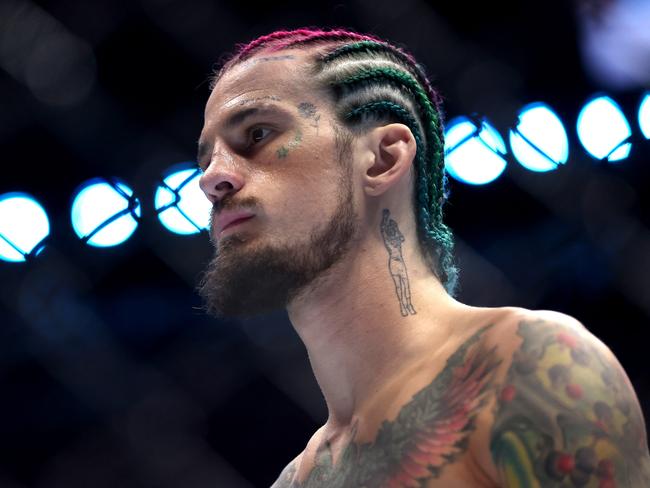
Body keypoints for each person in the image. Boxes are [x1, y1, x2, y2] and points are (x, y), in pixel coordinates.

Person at [196, 28, 650, 487]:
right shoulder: (298, 480)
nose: (212, 178)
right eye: (205, 160)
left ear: (381, 158)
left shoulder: (528, 364)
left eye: (257, 133)